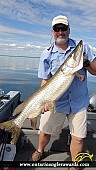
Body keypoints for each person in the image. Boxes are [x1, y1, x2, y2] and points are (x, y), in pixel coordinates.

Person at [31, 15, 96, 169]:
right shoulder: (46, 54)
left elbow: (95, 71)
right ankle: (40, 150)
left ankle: (74, 165)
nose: (61, 32)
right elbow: (45, 81)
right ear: (53, 32)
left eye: (63, 28)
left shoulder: (83, 48)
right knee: (45, 132)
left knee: (79, 138)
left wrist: (86, 63)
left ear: (69, 30)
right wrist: (43, 100)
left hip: (79, 102)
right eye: (57, 29)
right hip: (56, 101)